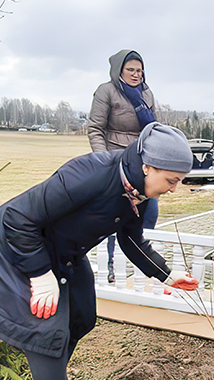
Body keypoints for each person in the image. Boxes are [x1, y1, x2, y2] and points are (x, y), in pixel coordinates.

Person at [0, 122, 199, 380]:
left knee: (83, 316)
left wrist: (168, 276)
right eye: (172, 180)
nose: (174, 188)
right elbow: (19, 219)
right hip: (13, 250)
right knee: (45, 330)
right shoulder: (90, 174)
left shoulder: (138, 191)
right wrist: (41, 276)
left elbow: (132, 241)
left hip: (61, 251)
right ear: (148, 166)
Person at [88, 49, 160, 283]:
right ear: (119, 69)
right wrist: (103, 160)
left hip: (143, 161)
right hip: (116, 161)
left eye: (139, 70)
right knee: (116, 215)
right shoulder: (106, 91)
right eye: (130, 69)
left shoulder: (146, 94)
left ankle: (141, 263)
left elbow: (153, 128)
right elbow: (95, 129)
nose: (136, 74)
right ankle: (111, 265)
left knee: (149, 212)